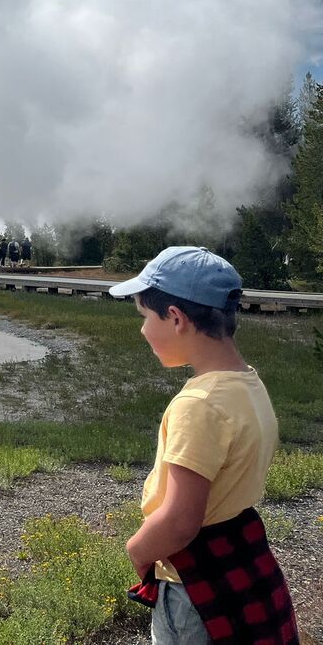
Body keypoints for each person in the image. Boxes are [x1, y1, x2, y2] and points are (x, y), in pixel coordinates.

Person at [109, 247, 298, 645]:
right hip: (242, 555)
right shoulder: (248, 384)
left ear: (176, 318)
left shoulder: (199, 404)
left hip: (193, 585)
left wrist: (138, 550)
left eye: (145, 317)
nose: (143, 330)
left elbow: (180, 521)